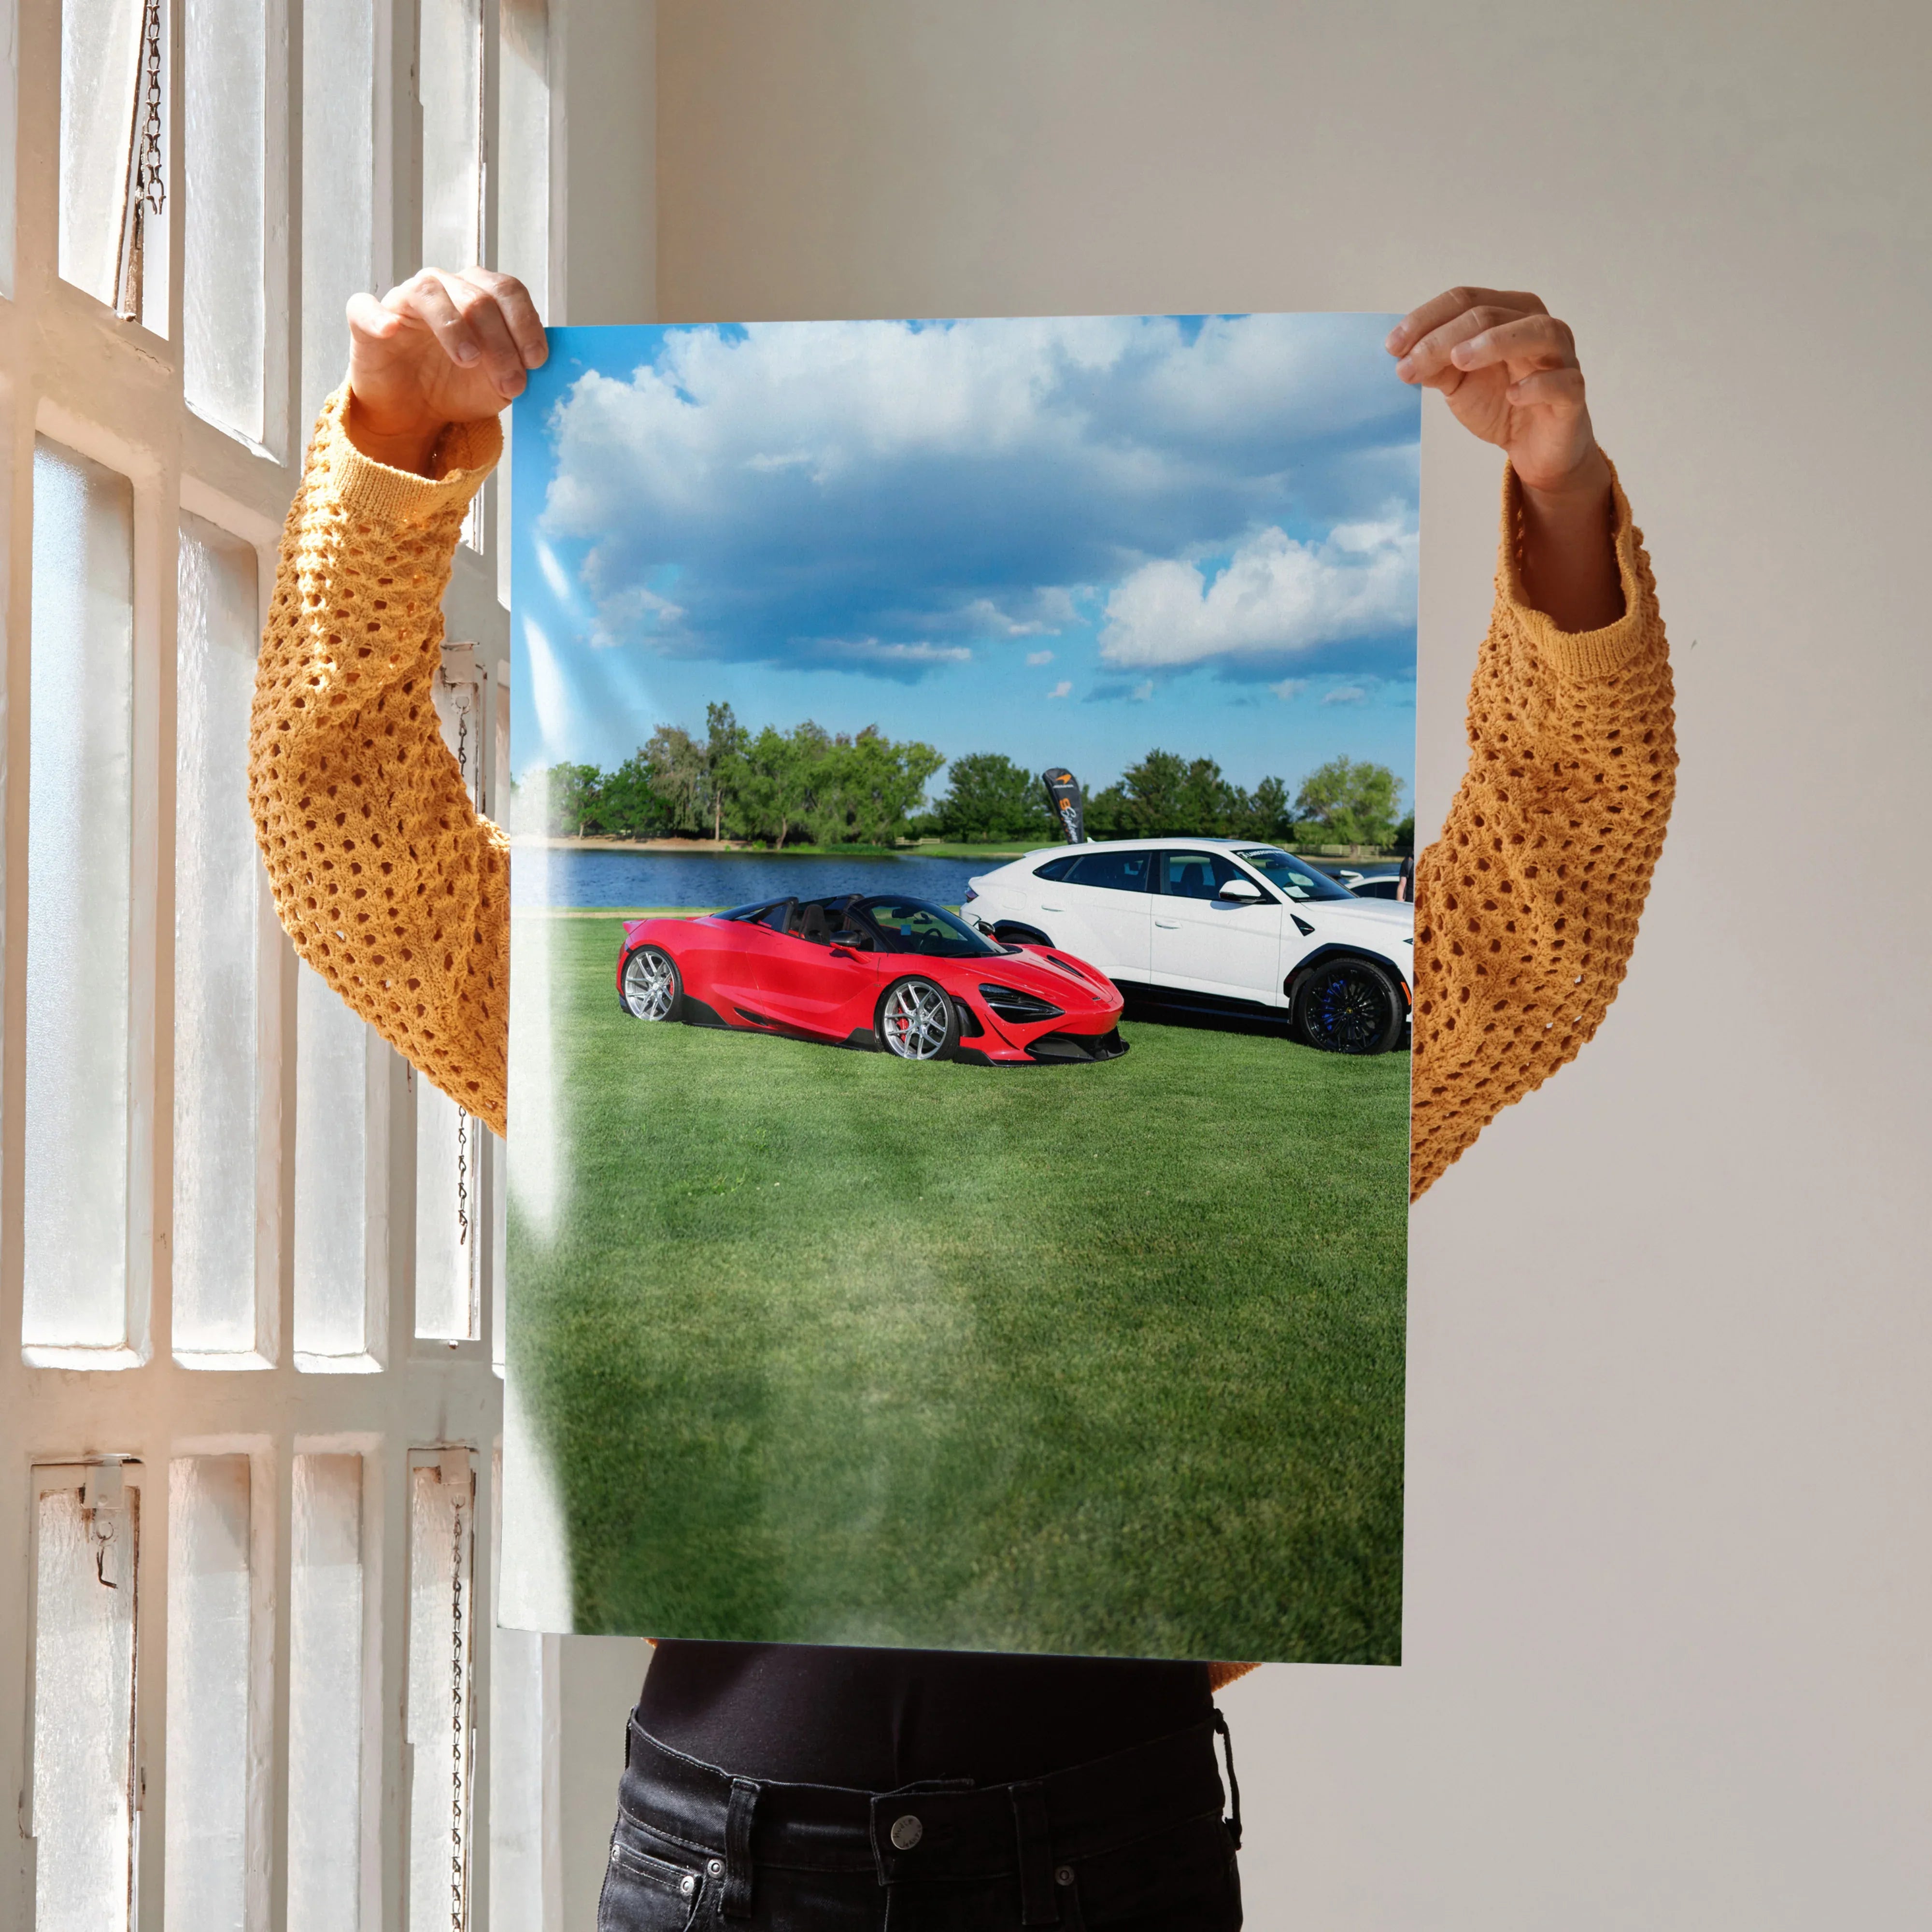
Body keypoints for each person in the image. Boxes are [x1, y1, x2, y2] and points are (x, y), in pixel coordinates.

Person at [249, 271, 1674, 1929]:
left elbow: (1539, 920)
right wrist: (392, 443)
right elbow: (348, 840)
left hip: (1109, 1855)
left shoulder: (1250, 1081)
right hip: (728, 1867)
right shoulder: (615, 1069)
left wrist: (1561, 496)